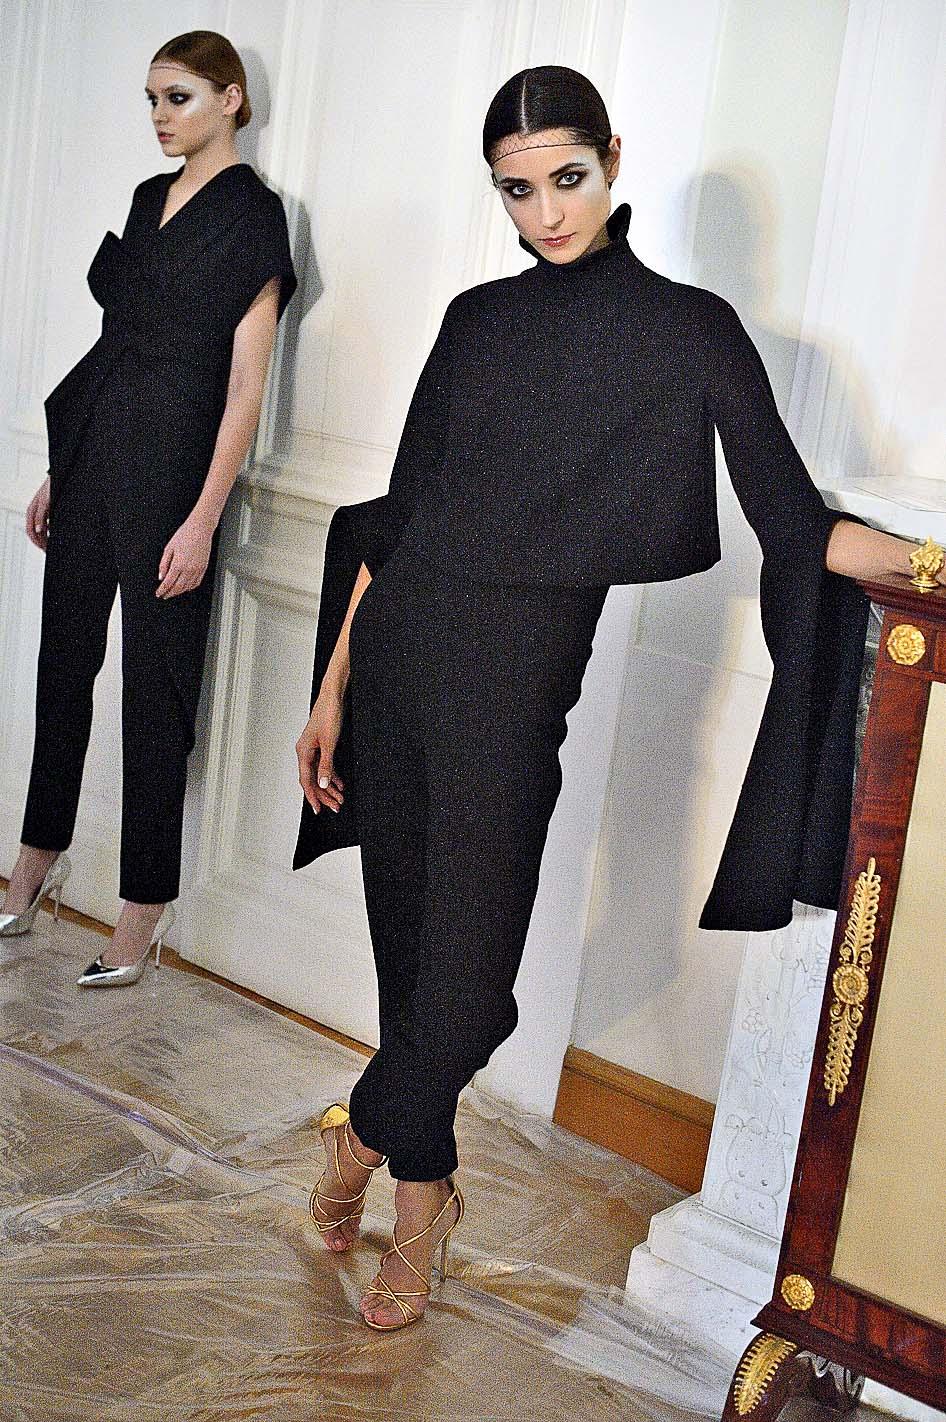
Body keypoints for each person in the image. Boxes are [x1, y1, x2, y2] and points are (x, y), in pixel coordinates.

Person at [293, 66, 938, 1331]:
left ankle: (355, 1140)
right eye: (516, 190)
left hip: (510, 700)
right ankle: (421, 1213)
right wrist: (332, 691)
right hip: (400, 662)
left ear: (613, 160)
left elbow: (796, 522)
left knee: (468, 996)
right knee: (411, 975)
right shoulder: (476, 319)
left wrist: (927, 564)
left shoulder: (689, 328)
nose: (545, 213)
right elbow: (397, 517)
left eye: (567, 179)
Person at [0, 30, 297, 985]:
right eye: (152, 100)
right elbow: (113, 345)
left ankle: (144, 907)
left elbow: (245, 387)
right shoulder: (144, 200)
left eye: (179, 98)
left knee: (155, 695)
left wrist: (203, 518)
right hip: (94, 457)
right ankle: (34, 863)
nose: (161, 117)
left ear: (230, 98)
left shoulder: (256, 217)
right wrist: (62, 467)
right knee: (61, 668)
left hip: (174, 479)